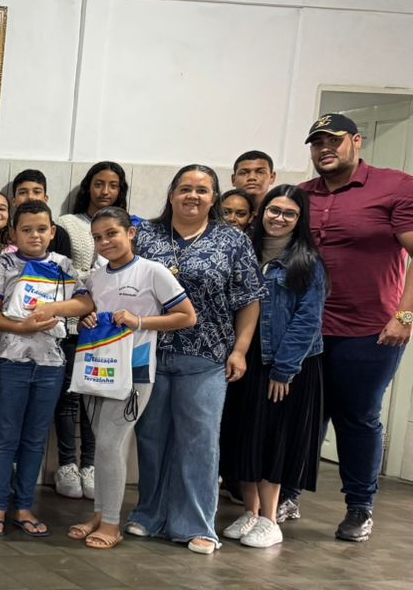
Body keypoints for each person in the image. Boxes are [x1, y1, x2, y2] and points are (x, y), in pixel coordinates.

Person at [30, 208, 194, 550]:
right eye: (98, 237)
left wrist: (139, 321)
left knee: (109, 445)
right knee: (105, 447)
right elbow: (86, 311)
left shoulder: (153, 271)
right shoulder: (96, 278)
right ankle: (99, 515)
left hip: (135, 372)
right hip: (98, 370)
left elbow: (186, 316)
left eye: (112, 234)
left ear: (130, 233)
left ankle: (112, 523)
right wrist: (84, 319)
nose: (105, 242)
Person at [130, 164, 264, 554]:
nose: (193, 196)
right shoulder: (146, 235)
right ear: (171, 194)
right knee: (151, 438)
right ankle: (149, 515)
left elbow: (249, 299)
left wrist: (240, 350)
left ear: (214, 198)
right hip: (150, 353)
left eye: (202, 190)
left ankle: (196, 525)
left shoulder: (232, 240)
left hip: (206, 356)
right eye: (185, 188)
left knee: (200, 441)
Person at [295, 113, 413, 541]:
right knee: (304, 415)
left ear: (357, 141)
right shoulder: (302, 194)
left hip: (369, 329)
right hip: (307, 328)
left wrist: (405, 316)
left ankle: (359, 507)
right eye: (317, 143)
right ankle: (287, 494)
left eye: (334, 140)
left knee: (357, 417)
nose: (325, 149)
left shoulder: (395, 186)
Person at [220, 186, 326, 549]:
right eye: (273, 210)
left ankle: (270, 518)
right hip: (245, 358)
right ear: (261, 211)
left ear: (300, 220)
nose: (279, 218)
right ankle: (250, 512)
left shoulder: (307, 261)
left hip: (285, 365)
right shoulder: (243, 251)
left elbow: (308, 320)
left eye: (289, 213)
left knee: (273, 440)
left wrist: (284, 368)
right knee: (245, 436)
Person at [0, 201, 77, 538]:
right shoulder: (3, 265)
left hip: (51, 364)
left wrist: (52, 308)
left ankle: (23, 506)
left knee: (35, 439)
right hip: (10, 361)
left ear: (52, 232)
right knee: (5, 436)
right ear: (13, 233)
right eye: (26, 229)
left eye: (41, 229)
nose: (34, 235)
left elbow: (85, 301)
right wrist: (21, 327)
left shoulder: (64, 265)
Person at [54, 161, 129, 499]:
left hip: (110, 326)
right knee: (70, 397)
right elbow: (63, 273)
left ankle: (90, 464)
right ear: (88, 186)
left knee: (97, 397)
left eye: (113, 185)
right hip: (75, 323)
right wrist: (81, 304)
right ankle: (67, 464)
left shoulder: (127, 225)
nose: (105, 191)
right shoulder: (67, 224)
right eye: (99, 183)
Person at [9, 168, 72, 257]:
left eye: (37, 192)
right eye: (23, 192)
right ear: (14, 201)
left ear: (45, 199)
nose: (30, 197)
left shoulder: (59, 234)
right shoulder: (3, 231)